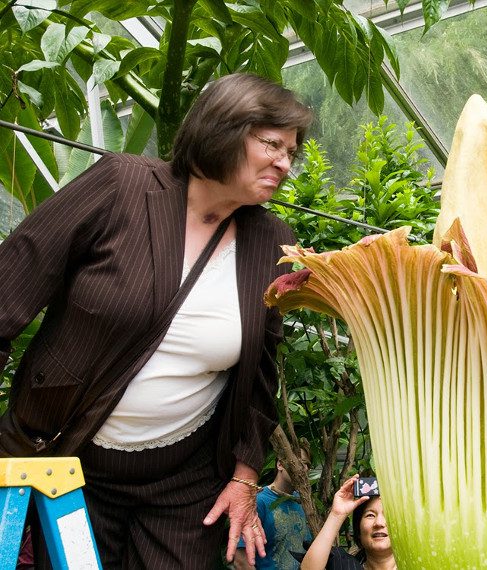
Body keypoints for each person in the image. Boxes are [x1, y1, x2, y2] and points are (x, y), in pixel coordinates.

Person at [0, 72, 313, 569]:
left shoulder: (270, 239)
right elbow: (11, 280)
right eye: (272, 144)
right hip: (68, 461)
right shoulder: (121, 186)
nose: (284, 162)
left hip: (186, 484)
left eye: (291, 151)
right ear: (221, 130)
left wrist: (245, 475)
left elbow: (260, 373)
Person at [234, 448, 313, 569]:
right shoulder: (258, 501)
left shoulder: (303, 502)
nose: (305, 468)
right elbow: (241, 560)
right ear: (280, 464)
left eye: (307, 464)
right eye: (299, 462)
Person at [301, 475, 396, 570]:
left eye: (388, 515)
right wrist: (337, 514)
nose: (379, 523)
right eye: (370, 515)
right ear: (358, 530)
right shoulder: (343, 565)